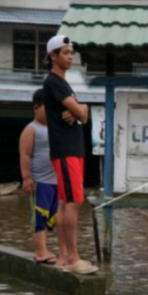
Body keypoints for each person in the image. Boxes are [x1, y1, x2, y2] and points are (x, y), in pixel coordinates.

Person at [43, 34, 98, 275]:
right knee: (73, 202)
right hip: (66, 149)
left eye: (71, 52)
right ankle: (73, 258)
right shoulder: (54, 82)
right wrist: (80, 110)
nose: (70, 56)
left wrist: (79, 111)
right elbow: (82, 112)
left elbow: (83, 113)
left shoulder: (64, 83)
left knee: (67, 202)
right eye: (65, 52)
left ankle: (65, 257)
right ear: (53, 56)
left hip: (72, 150)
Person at [19, 89, 60, 265]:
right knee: (39, 217)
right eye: (47, 107)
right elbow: (25, 154)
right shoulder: (31, 129)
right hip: (40, 182)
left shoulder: (56, 127)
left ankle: (55, 249)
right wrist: (27, 178)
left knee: (56, 217)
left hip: (56, 181)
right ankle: (40, 251)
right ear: (36, 108)